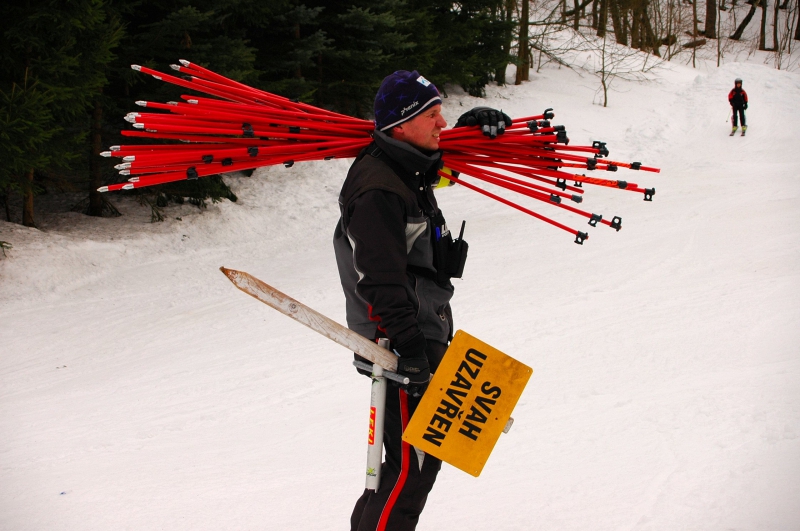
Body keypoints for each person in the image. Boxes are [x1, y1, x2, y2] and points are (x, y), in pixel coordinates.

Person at [333, 70, 510, 531]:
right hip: (395, 344)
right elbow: (379, 281)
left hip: (418, 333)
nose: (442, 123)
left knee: (405, 468)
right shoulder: (378, 189)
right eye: (433, 115)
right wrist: (410, 353)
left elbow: (441, 173)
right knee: (410, 470)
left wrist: (474, 131)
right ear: (401, 124)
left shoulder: (404, 169)